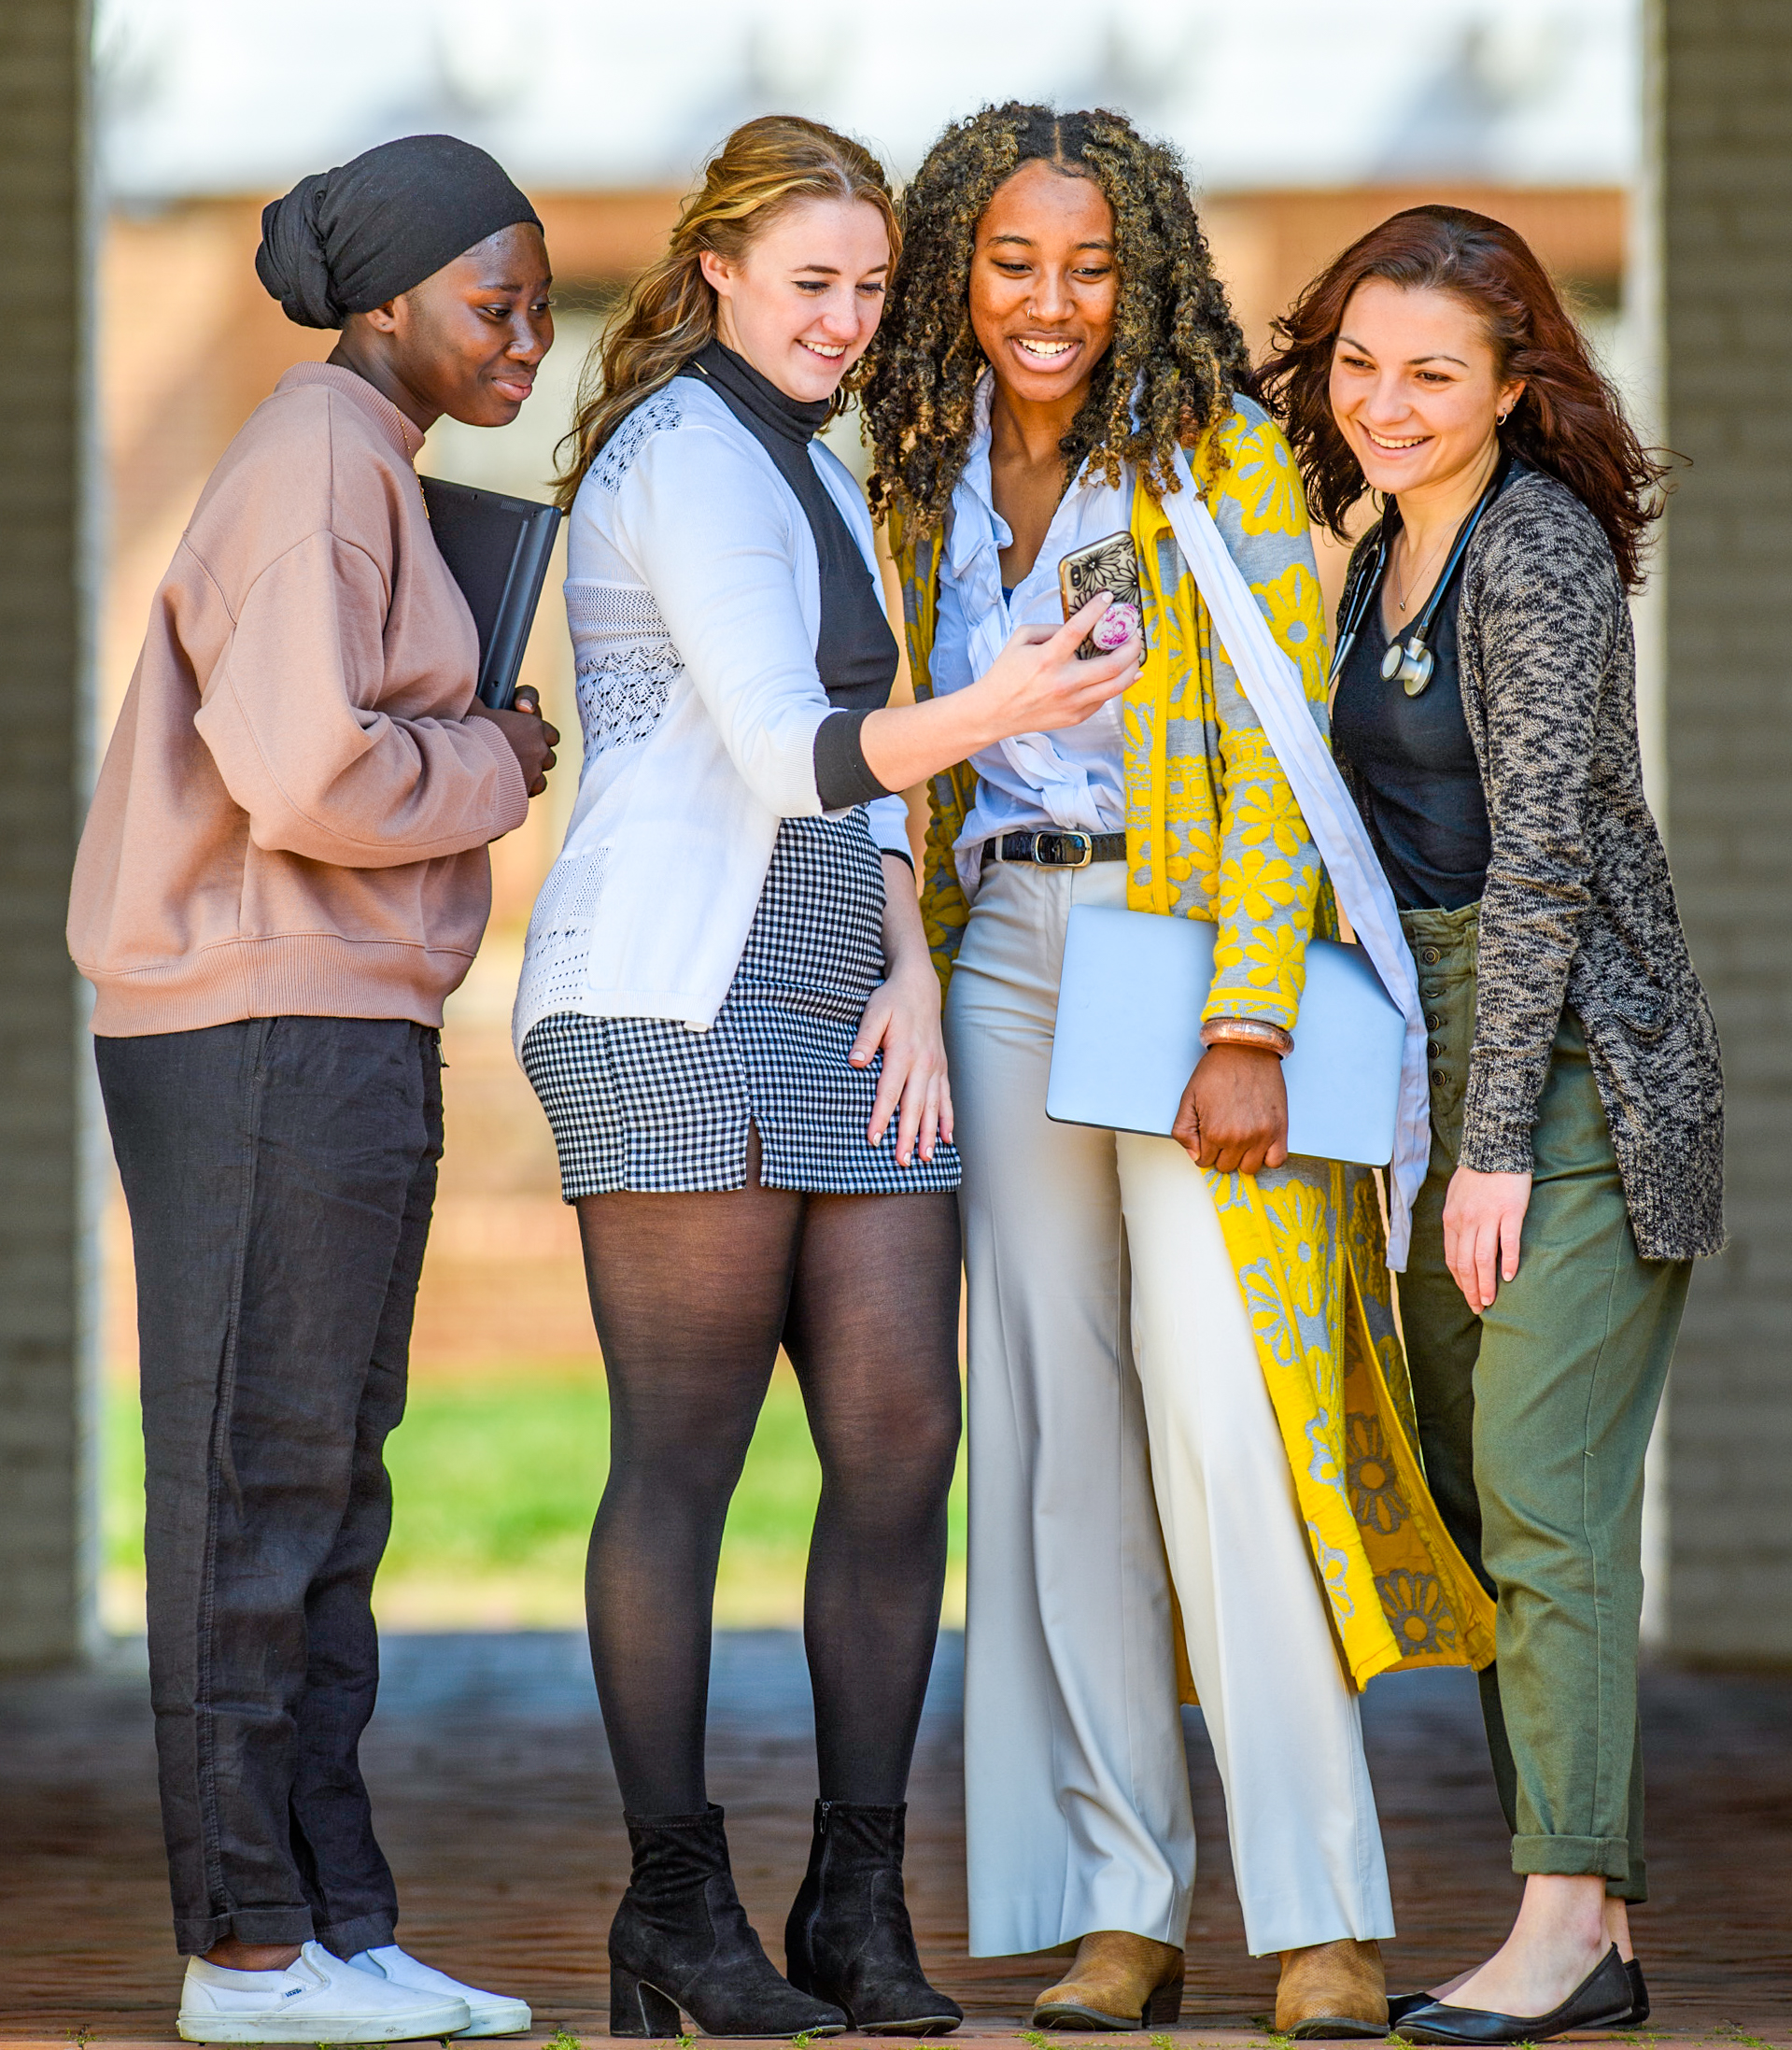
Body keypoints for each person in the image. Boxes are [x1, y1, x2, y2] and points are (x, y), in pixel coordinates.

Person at [863, 106, 1495, 2042]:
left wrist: (1247, 1018)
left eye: (1092, 264)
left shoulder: (1216, 449)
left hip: (1185, 954)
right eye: (1011, 262)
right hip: (1007, 965)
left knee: (1231, 1432)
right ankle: (1120, 1906)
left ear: (1144, 270)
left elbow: (1273, 763)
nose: (1050, 303)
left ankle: (1322, 1920)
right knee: (1058, 1448)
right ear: (958, 274)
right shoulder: (914, 478)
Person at [522, 114, 1138, 2042]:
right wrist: (1015, 704)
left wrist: (898, 965)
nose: (850, 320)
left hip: (837, 1000)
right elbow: (800, 751)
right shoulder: (682, 457)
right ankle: (673, 1911)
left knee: (899, 1446)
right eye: (815, 283)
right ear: (715, 269)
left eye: (874, 289)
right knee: (684, 1465)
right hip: (667, 1004)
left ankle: (855, 1908)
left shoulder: (818, 453)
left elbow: (857, 791)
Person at [67, 134, 560, 2044]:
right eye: (492, 304)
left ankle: (338, 1926)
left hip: (330, 1018)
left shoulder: (369, 459)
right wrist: (502, 761)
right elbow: (306, 779)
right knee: (250, 1493)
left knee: (324, 1498)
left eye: (534, 303)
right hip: (258, 1022)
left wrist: (466, 747)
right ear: (384, 302)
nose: (528, 338)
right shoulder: (315, 468)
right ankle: (246, 1954)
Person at [1260, 204, 1725, 2045]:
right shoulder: (1377, 544)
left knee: (1542, 1503)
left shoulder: (1527, 552)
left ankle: (1555, 1930)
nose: (1386, 402)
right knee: (1482, 1497)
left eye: (1432, 373)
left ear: (1517, 384)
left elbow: (1537, 872)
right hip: (1426, 1066)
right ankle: (1591, 1921)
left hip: (1572, 1074)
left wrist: (1502, 1140)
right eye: (1359, 364)